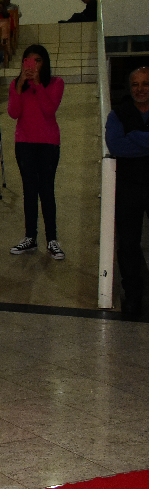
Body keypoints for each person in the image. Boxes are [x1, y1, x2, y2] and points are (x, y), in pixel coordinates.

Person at [8, 45, 65, 260]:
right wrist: (20, 86)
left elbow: (49, 110)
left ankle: (52, 239)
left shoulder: (56, 83)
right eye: (28, 61)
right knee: (29, 191)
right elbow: (14, 113)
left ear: (45, 63)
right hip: (24, 143)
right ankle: (30, 237)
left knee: (46, 190)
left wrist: (38, 85)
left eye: (38, 61)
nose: (33, 65)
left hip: (48, 143)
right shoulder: (17, 84)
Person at [106, 67, 149, 317]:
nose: (140, 89)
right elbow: (117, 146)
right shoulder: (117, 115)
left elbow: (128, 142)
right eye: (135, 84)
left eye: (145, 84)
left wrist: (136, 137)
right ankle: (133, 296)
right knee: (129, 245)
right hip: (128, 188)